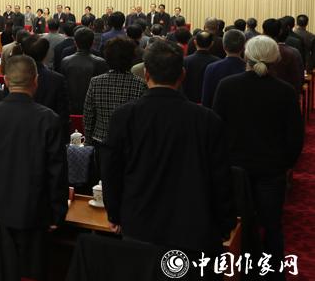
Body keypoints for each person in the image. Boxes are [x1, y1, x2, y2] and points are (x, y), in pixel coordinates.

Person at [101, 39, 235, 259]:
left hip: (138, 222)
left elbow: (111, 171)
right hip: (192, 225)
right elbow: (221, 178)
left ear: (146, 74)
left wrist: (114, 213)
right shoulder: (207, 120)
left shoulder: (124, 116)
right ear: (182, 75)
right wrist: (225, 223)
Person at [212, 35, 303, 281]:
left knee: (231, 225)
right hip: (271, 170)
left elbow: (216, 128)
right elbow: (295, 137)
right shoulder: (285, 91)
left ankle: (229, 279)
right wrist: (285, 164)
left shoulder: (227, 86)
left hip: (233, 168)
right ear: (275, 59)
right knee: (272, 227)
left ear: (246, 55)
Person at [0, 55, 68, 281]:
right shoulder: (49, 119)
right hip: (34, 213)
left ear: (5, 80)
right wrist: (57, 211)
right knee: (31, 279)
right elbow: (57, 172)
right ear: (36, 81)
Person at [84, 38, 147, 143]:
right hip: (129, 142)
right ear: (132, 58)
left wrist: (88, 140)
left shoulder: (95, 82)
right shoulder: (140, 84)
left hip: (101, 140)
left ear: (107, 58)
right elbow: (141, 119)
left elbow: (88, 115)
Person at [16, 35, 70, 132]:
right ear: (46, 55)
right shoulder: (57, 80)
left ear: (23, 53)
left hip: (19, 132)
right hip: (48, 133)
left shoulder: (14, 76)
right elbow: (63, 117)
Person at [60, 27, 108, 115]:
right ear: (92, 43)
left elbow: (63, 88)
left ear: (75, 42)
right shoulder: (101, 62)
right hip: (93, 109)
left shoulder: (65, 61)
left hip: (70, 108)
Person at [201, 29, 246, 108]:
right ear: (243, 47)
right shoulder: (248, 68)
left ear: (224, 46)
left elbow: (206, 99)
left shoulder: (211, 68)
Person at [262, 18, 304, 90]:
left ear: (263, 32)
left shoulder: (256, 49)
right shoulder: (293, 52)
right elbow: (299, 79)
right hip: (286, 92)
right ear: (280, 32)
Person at [182, 31, 220, 103]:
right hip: (208, 102)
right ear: (212, 44)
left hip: (188, 101)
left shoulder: (185, 61)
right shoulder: (218, 62)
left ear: (195, 42)